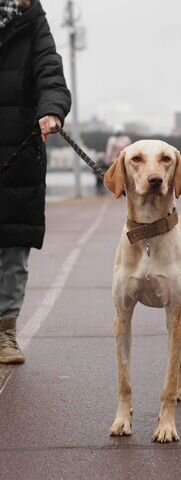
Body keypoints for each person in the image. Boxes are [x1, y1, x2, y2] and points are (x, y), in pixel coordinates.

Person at [0, 0, 71, 364]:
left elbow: (50, 72)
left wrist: (51, 108)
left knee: (13, 252)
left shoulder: (31, 22)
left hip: (18, 157)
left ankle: (5, 334)